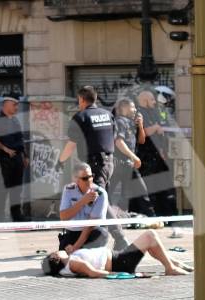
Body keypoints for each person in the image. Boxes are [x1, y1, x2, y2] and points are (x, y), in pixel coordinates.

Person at [60, 86, 129, 250]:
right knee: (104, 199)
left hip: (94, 165)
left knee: (98, 197)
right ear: (95, 98)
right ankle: (99, 237)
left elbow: (71, 144)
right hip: (109, 162)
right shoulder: (108, 115)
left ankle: (119, 239)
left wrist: (60, 161)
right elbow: (116, 140)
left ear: (81, 99)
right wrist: (132, 156)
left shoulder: (80, 117)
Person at [42, 230, 192, 277]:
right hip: (120, 262)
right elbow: (94, 272)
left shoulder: (70, 260)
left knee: (150, 244)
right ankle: (170, 268)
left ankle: (171, 263)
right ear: (57, 257)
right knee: (150, 236)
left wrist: (71, 250)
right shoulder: (73, 263)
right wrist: (131, 276)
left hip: (118, 257)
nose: (58, 250)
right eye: (55, 252)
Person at [135, 89, 177, 216]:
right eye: (152, 99)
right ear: (145, 100)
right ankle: (153, 215)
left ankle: (167, 215)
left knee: (165, 187)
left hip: (158, 156)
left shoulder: (154, 112)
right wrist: (155, 128)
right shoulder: (138, 114)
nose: (155, 102)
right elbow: (141, 133)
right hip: (146, 158)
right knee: (150, 187)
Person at [110, 98, 155, 218]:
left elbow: (141, 140)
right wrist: (134, 157)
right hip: (119, 164)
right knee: (109, 192)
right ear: (123, 108)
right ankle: (150, 216)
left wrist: (140, 126)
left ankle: (124, 217)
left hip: (128, 164)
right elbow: (118, 142)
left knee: (128, 193)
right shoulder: (120, 121)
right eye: (132, 107)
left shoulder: (130, 122)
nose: (135, 109)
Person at [0, 96, 28, 222]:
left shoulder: (14, 120)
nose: (16, 107)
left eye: (17, 104)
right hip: (4, 160)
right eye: (14, 104)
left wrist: (25, 156)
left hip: (17, 159)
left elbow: (20, 139)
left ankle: (16, 215)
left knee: (17, 189)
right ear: (7, 104)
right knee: (3, 190)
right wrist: (5, 149)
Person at [58, 163, 110, 253]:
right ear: (76, 180)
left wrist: (75, 247)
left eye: (91, 176)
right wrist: (83, 201)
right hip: (72, 232)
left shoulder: (101, 193)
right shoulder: (68, 189)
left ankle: (79, 253)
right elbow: (63, 217)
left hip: (90, 233)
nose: (89, 180)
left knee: (102, 234)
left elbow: (90, 225)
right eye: (85, 178)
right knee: (61, 261)